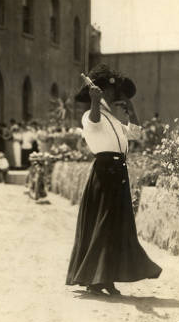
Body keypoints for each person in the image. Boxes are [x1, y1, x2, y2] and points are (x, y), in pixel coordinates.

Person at [66, 64, 162, 296]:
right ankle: (97, 279)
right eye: (109, 92)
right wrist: (95, 101)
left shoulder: (115, 121)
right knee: (104, 225)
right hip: (105, 173)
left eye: (113, 93)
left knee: (116, 227)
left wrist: (130, 107)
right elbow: (95, 121)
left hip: (119, 173)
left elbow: (137, 134)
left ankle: (105, 278)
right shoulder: (91, 115)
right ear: (98, 93)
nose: (112, 96)